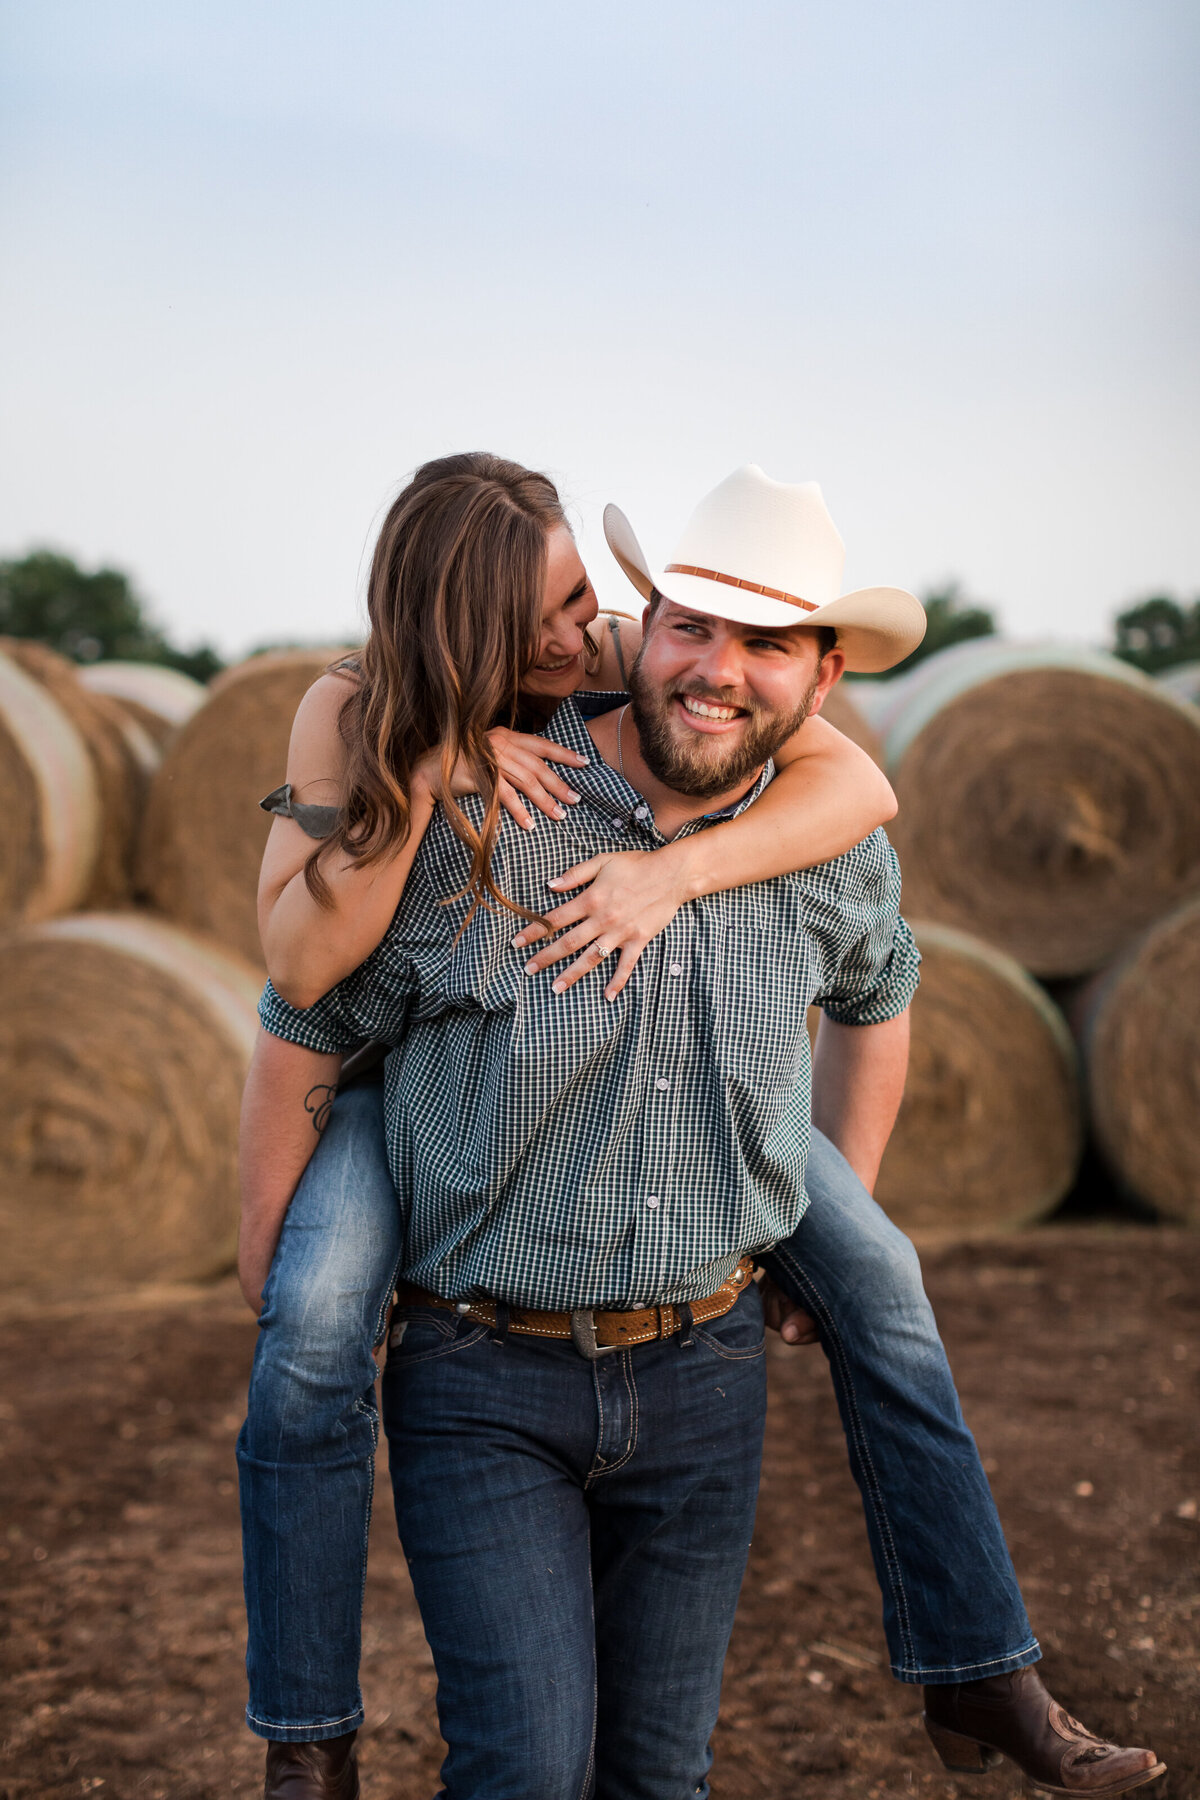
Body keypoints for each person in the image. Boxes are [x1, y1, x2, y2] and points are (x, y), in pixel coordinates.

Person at [238, 459, 1164, 1799]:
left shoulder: (770, 779)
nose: (705, 661)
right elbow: (308, 995)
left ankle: (979, 1665)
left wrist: (812, 1191)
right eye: (688, 623)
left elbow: (876, 950)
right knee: (322, 1351)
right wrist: (427, 761)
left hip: (700, 1366)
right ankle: (305, 1736)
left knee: (880, 1284)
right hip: (472, 1325)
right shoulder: (419, 758)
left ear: (822, 673)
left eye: (767, 640)